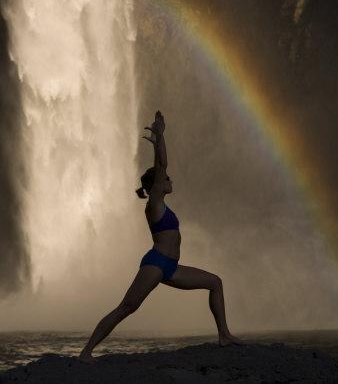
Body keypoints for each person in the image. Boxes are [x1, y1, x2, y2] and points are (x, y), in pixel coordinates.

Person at [78, 110, 243, 364]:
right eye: (166, 179)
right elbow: (162, 166)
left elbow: (162, 169)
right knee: (127, 307)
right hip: (155, 264)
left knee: (215, 282)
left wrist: (158, 140)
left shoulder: (162, 204)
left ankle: (224, 334)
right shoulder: (154, 203)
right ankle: (86, 352)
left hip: (171, 267)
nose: (170, 179)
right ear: (157, 184)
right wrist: (160, 136)